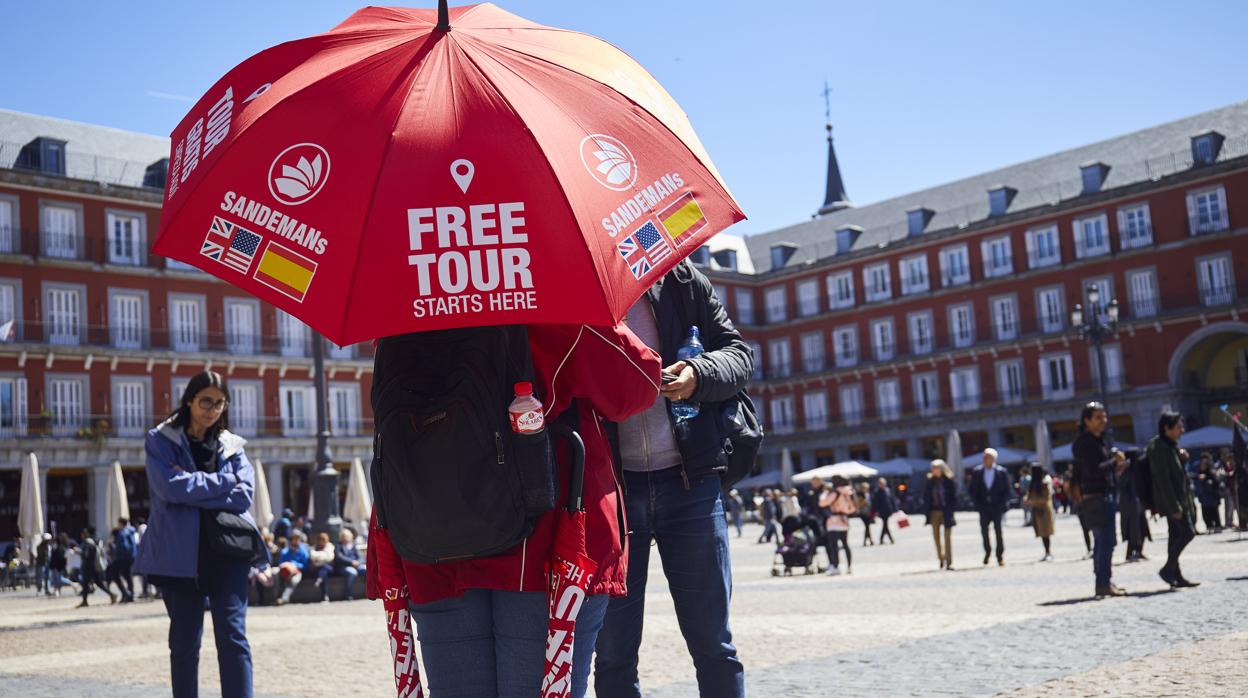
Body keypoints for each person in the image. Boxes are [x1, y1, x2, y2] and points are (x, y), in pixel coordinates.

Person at [367, 322, 661, 698]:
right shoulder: (548, 293)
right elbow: (635, 384)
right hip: (545, 544)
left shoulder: (400, 303)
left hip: (431, 539)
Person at [595, 260, 753, 698]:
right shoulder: (583, 297)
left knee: (714, 645)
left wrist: (697, 374)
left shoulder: (683, 282)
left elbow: (740, 356)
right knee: (612, 653)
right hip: (613, 492)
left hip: (691, 482)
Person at [133, 370, 260, 698]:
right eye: (206, 401)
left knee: (233, 638)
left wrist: (192, 484)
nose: (213, 409)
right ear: (189, 400)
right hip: (178, 556)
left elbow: (244, 494)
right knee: (184, 644)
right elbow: (169, 488)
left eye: (219, 403)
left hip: (228, 552)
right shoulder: (160, 440)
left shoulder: (232, 445)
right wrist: (223, 482)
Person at [1072, 402, 1128, 598]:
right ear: (1086, 420)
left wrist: (1116, 468)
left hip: (1103, 494)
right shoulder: (1085, 442)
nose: (1103, 421)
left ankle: (1104, 581)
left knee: (1104, 541)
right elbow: (1094, 470)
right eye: (1098, 417)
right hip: (1096, 497)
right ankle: (1102, 583)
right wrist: (1115, 462)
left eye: (1104, 417)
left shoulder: (1098, 441)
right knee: (1105, 541)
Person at [1149, 412, 1199, 589]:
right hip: (1172, 501)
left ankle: (1175, 575)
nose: (1182, 430)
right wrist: (1174, 506)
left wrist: (1182, 459)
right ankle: (1168, 569)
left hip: (1179, 499)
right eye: (1179, 427)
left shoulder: (1170, 446)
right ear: (1166, 428)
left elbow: (1176, 473)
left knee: (1175, 536)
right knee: (1188, 532)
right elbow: (1163, 480)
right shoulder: (1159, 447)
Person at [968, 448, 1011, 566]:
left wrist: (1003, 503)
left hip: (997, 507)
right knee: (984, 532)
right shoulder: (977, 472)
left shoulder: (1001, 472)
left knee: (998, 532)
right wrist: (976, 503)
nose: (985, 459)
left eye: (988, 457)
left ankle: (999, 555)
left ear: (993, 459)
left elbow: (1007, 489)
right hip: (983, 508)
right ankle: (987, 552)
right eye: (984, 457)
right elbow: (972, 490)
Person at [819, 476, 857, 576]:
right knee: (845, 544)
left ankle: (836, 567)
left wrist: (825, 492)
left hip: (833, 522)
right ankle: (849, 567)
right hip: (844, 521)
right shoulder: (848, 492)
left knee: (834, 546)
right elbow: (852, 508)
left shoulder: (834, 492)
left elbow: (822, 503)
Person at [925, 459, 957, 570]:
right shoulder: (930, 481)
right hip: (934, 512)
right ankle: (941, 558)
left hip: (946, 511)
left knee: (947, 537)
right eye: (932, 468)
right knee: (936, 537)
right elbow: (926, 497)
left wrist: (952, 511)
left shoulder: (948, 480)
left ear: (941, 469)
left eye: (935, 468)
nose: (933, 470)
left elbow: (953, 498)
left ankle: (949, 561)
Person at [1117, 456, 1147, 563]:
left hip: (1138, 505)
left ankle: (1139, 551)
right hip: (1130, 506)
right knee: (1132, 531)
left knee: (1142, 529)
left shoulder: (1136, 472)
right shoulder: (1125, 473)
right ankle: (1129, 553)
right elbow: (1121, 485)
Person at [76, 527, 115, 607]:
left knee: (86, 584)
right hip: (95, 566)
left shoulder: (87, 543)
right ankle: (111, 594)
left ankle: (85, 601)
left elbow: (86, 555)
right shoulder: (94, 541)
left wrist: (79, 552)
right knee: (97, 583)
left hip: (88, 567)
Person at [1024, 464, 1056, 561]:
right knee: (1041, 533)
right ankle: (1046, 552)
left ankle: (1048, 552)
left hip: (1044, 512)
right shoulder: (1033, 483)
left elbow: (1046, 498)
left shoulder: (1044, 483)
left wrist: (1032, 500)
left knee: (1046, 532)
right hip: (1036, 511)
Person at [106, 517, 137, 603]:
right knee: (128, 576)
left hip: (122, 558)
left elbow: (123, 546)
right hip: (131, 557)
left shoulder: (122, 533)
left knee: (115, 574)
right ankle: (130, 594)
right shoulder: (131, 531)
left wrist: (115, 553)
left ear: (121, 523)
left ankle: (125, 593)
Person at [276, 533, 309, 606]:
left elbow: (305, 565)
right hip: (285, 571)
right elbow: (281, 563)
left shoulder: (303, 551)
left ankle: (284, 598)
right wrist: (288, 565)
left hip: (298, 571)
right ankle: (277, 597)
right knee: (277, 576)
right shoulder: (285, 551)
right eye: (293, 539)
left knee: (294, 580)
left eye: (297, 539)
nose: (295, 541)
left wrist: (294, 565)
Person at [1193, 454, 1222, 533]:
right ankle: (1209, 526)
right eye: (1202, 464)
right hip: (1203, 497)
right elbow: (1194, 480)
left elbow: (1216, 483)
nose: (1203, 466)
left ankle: (1217, 526)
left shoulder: (1211, 473)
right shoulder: (1198, 473)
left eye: (1204, 464)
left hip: (1212, 496)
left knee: (1214, 511)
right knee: (1205, 512)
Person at [332, 528, 363, 601]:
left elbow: (361, 557)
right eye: (344, 536)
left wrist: (358, 562)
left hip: (356, 565)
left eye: (347, 536)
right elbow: (339, 557)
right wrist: (351, 562)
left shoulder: (353, 545)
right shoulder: (338, 546)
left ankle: (370, 591)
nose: (346, 538)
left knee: (365, 570)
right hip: (343, 567)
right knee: (352, 572)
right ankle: (348, 594)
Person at [309, 532, 337, 603]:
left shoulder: (330, 547)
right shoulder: (313, 547)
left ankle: (320, 579)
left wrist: (318, 558)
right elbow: (312, 556)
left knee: (324, 568)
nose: (322, 542)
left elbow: (329, 558)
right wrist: (322, 557)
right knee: (323, 573)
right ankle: (325, 596)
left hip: (329, 568)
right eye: (321, 540)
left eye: (324, 540)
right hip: (318, 570)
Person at [871, 478, 897, 545]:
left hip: (888, 510)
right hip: (881, 511)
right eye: (881, 484)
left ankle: (882, 539)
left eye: (883, 483)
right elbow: (875, 503)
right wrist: (875, 511)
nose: (882, 485)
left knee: (885, 525)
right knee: (885, 524)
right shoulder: (877, 492)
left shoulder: (888, 490)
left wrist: (895, 509)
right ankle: (890, 539)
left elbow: (892, 500)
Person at [855, 482, 875, 546]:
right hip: (863, 513)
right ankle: (867, 541)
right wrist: (864, 502)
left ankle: (868, 541)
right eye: (864, 488)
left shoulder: (869, 494)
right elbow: (858, 504)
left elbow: (871, 502)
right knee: (867, 526)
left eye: (866, 488)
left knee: (867, 527)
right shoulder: (859, 494)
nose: (865, 489)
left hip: (869, 512)